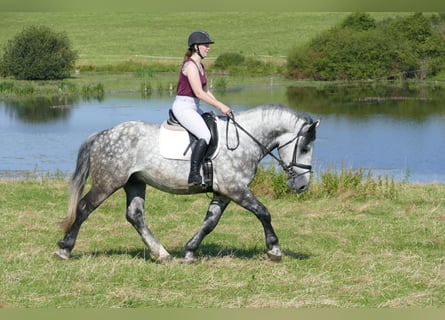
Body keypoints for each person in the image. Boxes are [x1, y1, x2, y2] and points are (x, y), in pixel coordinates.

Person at [172, 30, 232, 186]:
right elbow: (198, 92)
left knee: (215, 124)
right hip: (183, 106)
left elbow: (205, 90)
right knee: (204, 134)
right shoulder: (190, 66)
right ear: (196, 46)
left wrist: (221, 106)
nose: (208, 48)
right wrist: (220, 105)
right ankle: (193, 175)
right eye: (206, 45)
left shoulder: (200, 65)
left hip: (193, 106)